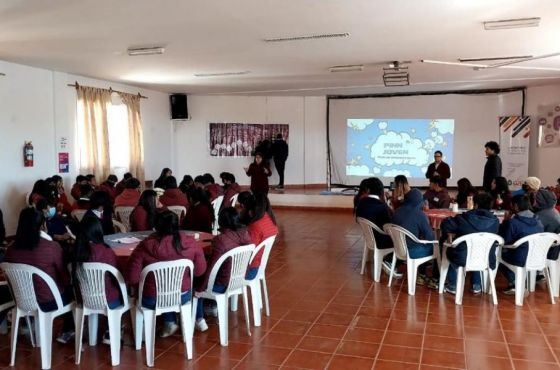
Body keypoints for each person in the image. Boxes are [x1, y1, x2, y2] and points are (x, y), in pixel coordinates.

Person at [126, 211, 206, 337]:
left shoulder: (144, 247)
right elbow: (200, 271)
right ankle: (173, 321)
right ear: (177, 224)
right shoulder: (191, 243)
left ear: (156, 227)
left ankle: (166, 323)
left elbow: (132, 278)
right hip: (182, 295)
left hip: (152, 299)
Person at [5, 207, 75, 343]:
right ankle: (68, 329)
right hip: (48, 302)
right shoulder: (51, 247)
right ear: (43, 225)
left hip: (22, 301)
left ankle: (28, 321)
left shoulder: (10, 250)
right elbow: (65, 278)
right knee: (70, 289)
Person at [194, 207, 252, 331]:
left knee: (196, 279)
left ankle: (199, 319)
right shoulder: (245, 234)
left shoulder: (220, 240)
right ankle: (212, 306)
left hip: (223, 283)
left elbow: (211, 267)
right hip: (239, 279)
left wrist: (200, 288)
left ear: (221, 221)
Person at [440, 193, 500, 295]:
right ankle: (476, 285)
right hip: (487, 259)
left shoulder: (463, 218)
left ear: (475, 205)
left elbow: (445, 226)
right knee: (479, 250)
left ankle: (453, 284)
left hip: (462, 257)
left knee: (447, 247)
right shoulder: (495, 221)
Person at [73, 216, 121, 344]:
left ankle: (93, 334)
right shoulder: (106, 252)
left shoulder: (75, 251)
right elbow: (115, 276)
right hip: (108, 300)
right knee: (120, 288)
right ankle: (111, 331)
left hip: (84, 299)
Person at [499, 195, 544, 295]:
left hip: (520, 258)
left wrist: (505, 222)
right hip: (536, 257)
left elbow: (505, 241)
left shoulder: (513, 223)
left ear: (515, 206)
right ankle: (521, 281)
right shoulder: (538, 221)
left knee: (498, 258)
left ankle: (514, 283)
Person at [392, 188, 437, 287]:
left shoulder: (397, 211)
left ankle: (421, 275)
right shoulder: (420, 214)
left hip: (397, 249)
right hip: (412, 252)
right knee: (436, 247)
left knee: (421, 243)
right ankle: (432, 278)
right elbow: (430, 238)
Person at [355, 177, 399, 277]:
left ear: (368, 190)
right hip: (381, 240)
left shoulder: (361, 203)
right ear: (381, 190)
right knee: (402, 237)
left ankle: (392, 260)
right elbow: (391, 224)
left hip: (369, 238)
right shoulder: (382, 206)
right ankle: (390, 261)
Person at [238, 193, 278, 280]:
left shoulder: (256, 226)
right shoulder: (269, 219)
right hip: (259, 265)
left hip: (250, 269)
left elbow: (248, 250)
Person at [533, 188, 560, 261]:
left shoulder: (539, 217)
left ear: (541, 201)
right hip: (553, 252)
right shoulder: (554, 212)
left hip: (541, 253)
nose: (534, 202)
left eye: (536, 199)